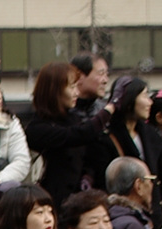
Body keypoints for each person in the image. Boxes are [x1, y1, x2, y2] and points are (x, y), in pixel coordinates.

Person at [24, 61, 116, 210]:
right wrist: (109, 109)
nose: (77, 93)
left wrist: (87, 177)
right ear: (54, 91)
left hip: (78, 205)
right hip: (50, 205)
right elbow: (78, 135)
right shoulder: (38, 128)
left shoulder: (73, 119)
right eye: (72, 87)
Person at [95, 79, 162, 228]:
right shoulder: (105, 137)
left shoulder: (151, 135)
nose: (150, 102)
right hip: (124, 215)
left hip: (154, 215)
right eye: (144, 96)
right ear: (129, 99)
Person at [105, 157, 155, 229]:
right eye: (150, 180)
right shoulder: (132, 227)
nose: (152, 185)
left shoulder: (109, 215)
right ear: (138, 185)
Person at [71, 53, 110, 119]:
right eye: (101, 73)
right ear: (79, 76)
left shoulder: (105, 112)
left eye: (107, 74)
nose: (105, 81)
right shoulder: (61, 112)